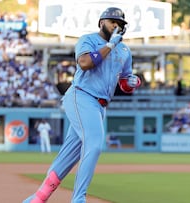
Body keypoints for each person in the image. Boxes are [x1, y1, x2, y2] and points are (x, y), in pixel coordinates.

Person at [23, 7, 141, 203]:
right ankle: (78, 199)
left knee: (68, 156)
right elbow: (85, 63)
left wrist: (132, 83)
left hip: (100, 106)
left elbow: (124, 82)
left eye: (120, 23)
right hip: (81, 96)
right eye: (113, 21)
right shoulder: (87, 40)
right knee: (94, 145)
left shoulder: (124, 50)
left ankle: (37, 199)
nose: (117, 26)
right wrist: (110, 46)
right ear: (101, 22)